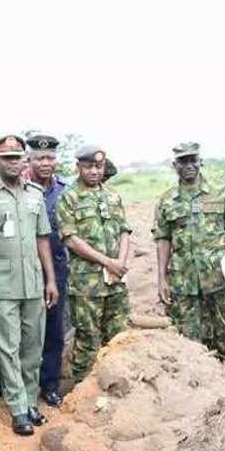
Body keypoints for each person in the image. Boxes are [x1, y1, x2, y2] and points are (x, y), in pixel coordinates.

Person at [0, 135, 59, 435]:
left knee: (33, 346)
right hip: (2, 283)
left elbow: (42, 238)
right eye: (7, 157)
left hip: (33, 281)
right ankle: (18, 408)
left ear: (24, 159)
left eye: (17, 157)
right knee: (8, 347)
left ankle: (32, 401)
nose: (13, 162)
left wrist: (50, 279)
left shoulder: (34, 193)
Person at [153, 142, 225, 375]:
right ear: (175, 165)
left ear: (200, 161)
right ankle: (196, 381)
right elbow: (163, 239)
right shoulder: (167, 200)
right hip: (183, 280)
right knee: (188, 336)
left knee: (224, 330)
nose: (189, 166)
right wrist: (161, 278)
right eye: (183, 161)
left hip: (218, 276)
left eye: (193, 160)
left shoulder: (220, 192)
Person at [55, 144, 131, 382]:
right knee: (88, 339)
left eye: (98, 167)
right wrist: (107, 261)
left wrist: (120, 261)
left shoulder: (112, 197)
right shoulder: (69, 198)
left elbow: (124, 231)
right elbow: (70, 239)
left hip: (115, 280)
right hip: (87, 284)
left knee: (118, 337)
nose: (94, 172)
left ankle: (117, 386)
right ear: (78, 167)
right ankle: (83, 393)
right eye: (88, 167)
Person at [27, 135, 69, 406]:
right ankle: (21, 385)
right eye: (40, 158)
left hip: (57, 266)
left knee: (54, 329)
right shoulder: (20, 187)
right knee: (26, 329)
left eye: (50, 158)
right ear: (29, 160)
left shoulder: (65, 191)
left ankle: (50, 384)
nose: (46, 163)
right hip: (26, 268)